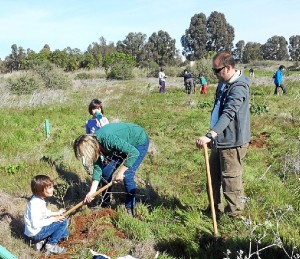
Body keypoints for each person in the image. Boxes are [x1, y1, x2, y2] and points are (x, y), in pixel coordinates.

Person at [195, 50, 251, 219]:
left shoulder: (239, 87)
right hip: (219, 139)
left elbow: (228, 113)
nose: (215, 74)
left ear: (228, 67)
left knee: (231, 180)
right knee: (213, 177)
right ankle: (214, 209)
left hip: (233, 142)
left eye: (216, 70)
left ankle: (235, 216)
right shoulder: (223, 82)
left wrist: (210, 134)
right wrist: (214, 134)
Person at [73, 122, 149, 216]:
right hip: (121, 145)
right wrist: (92, 191)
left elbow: (133, 153)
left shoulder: (107, 139)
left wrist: (121, 172)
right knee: (105, 173)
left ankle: (130, 209)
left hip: (138, 141)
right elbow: (98, 168)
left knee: (128, 176)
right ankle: (105, 204)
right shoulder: (95, 144)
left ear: (90, 148)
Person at [24, 175, 68, 255]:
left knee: (65, 233)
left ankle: (39, 242)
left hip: (34, 232)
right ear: (40, 190)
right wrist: (54, 219)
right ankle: (50, 245)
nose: (53, 189)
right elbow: (36, 224)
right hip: (35, 233)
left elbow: (44, 213)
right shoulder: (35, 204)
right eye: (49, 188)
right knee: (63, 221)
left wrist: (56, 213)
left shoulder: (38, 199)